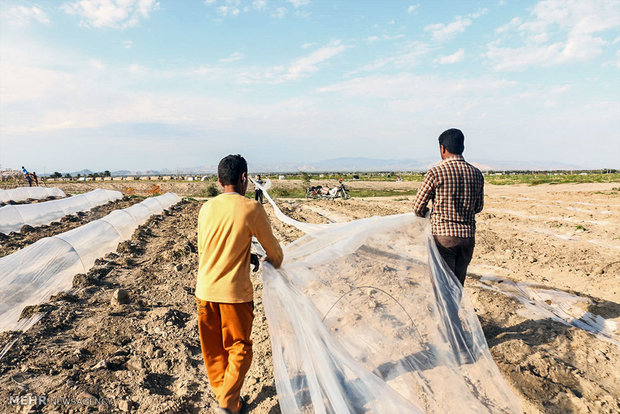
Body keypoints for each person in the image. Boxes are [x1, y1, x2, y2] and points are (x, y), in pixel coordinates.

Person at [196, 155, 283, 414]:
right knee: (239, 349)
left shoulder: (207, 208)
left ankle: (229, 400)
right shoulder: (251, 209)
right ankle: (227, 404)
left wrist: (248, 257)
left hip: (204, 291)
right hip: (234, 295)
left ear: (220, 180)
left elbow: (210, 250)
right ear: (244, 178)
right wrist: (272, 264)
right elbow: (275, 253)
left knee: (213, 352)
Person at [412, 128, 484, 286]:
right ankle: (454, 311)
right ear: (462, 148)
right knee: (457, 285)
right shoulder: (477, 173)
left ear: (442, 148)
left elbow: (417, 207)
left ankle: (445, 312)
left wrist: (429, 213)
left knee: (442, 285)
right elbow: (478, 207)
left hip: (443, 238)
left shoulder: (436, 173)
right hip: (467, 238)